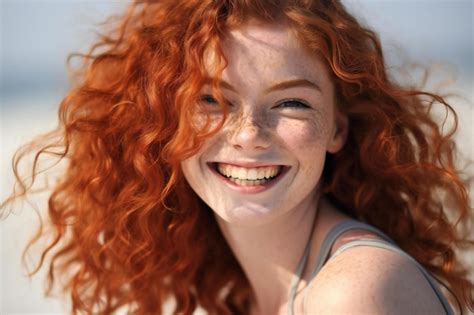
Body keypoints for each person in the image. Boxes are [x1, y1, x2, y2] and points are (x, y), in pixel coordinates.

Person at [1, 0, 472, 314]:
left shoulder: (352, 291)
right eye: (210, 100)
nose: (248, 135)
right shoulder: (248, 291)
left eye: (292, 102)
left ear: (338, 129)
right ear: (164, 121)